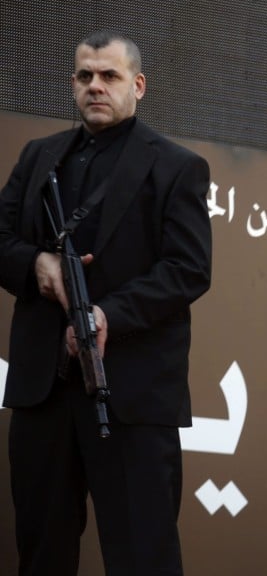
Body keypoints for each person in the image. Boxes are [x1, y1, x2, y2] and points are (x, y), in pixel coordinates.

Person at [0, 31, 213, 575]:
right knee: (41, 554)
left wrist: (105, 314)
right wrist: (38, 267)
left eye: (110, 76)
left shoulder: (176, 166)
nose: (96, 86)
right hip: (42, 393)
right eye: (85, 76)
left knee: (143, 557)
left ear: (137, 86)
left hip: (132, 397)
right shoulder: (38, 156)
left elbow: (189, 269)